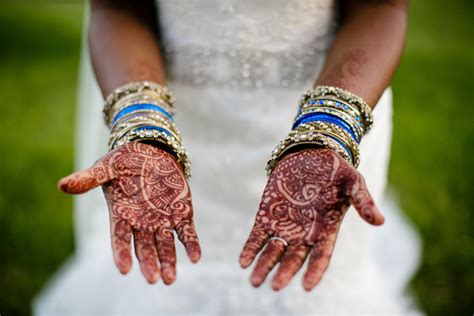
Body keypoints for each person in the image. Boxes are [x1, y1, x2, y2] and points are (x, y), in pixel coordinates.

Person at [35, 0, 422, 314]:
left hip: (333, 94)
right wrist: (144, 128)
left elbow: (379, 6)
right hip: (174, 104)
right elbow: (118, 8)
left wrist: (327, 133)